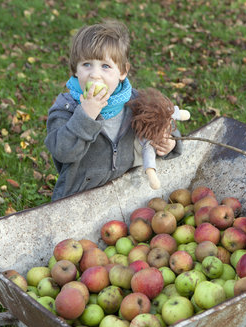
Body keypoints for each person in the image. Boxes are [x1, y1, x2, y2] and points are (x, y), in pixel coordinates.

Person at [45, 20, 182, 201]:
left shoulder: (135, 102)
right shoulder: (67, 108)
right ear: (75, 70)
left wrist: (170, 142)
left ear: (123, 72)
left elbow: (160, 124)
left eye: (105, 66)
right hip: (77, 200)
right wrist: (85, 115)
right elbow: (63, 152)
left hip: (123, 195)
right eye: (86, 64)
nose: (95, 74)